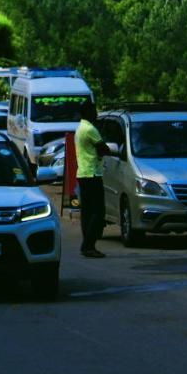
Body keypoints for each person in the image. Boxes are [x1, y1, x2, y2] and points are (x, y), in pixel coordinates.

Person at [75, 100, 110, 258]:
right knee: (98, 211)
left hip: (83, 173)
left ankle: (87, 245)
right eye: (94, 110)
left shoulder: (80, 127)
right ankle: (88, 245)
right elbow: (104, 148)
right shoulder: (90, 129)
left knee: (87, 212)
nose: (96, 113)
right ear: (88, 112)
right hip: (92, 174)